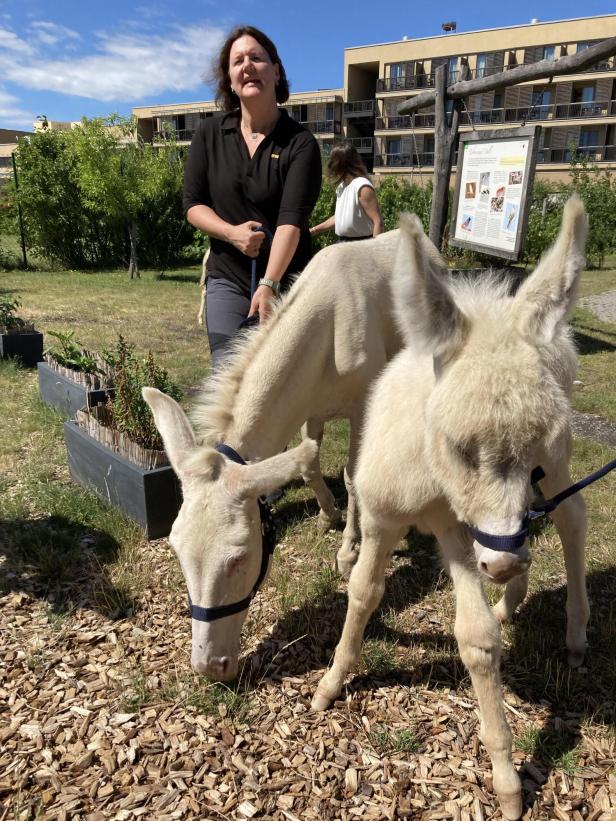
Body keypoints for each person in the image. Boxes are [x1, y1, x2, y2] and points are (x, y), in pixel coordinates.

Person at [183, 26, 322, 370]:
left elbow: (292, 221)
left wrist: (269, 284)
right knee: (229, 378)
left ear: (276, 71)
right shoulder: (209, 135)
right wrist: (232, 233)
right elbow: (193, 205)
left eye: (256, 57)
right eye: (238, 61)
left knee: (277, 386)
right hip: (227, 276)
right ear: (230, 80)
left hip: (287, 282)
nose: (247, 65)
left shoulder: (300, 144)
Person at [310, 144, 383, 242]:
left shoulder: (362, 186)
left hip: (361, 245)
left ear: (340, 164)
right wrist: (313, 230)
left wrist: (375, 251)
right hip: (342, 243)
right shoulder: (342, 187)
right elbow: (339, 218)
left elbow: (378, 221)